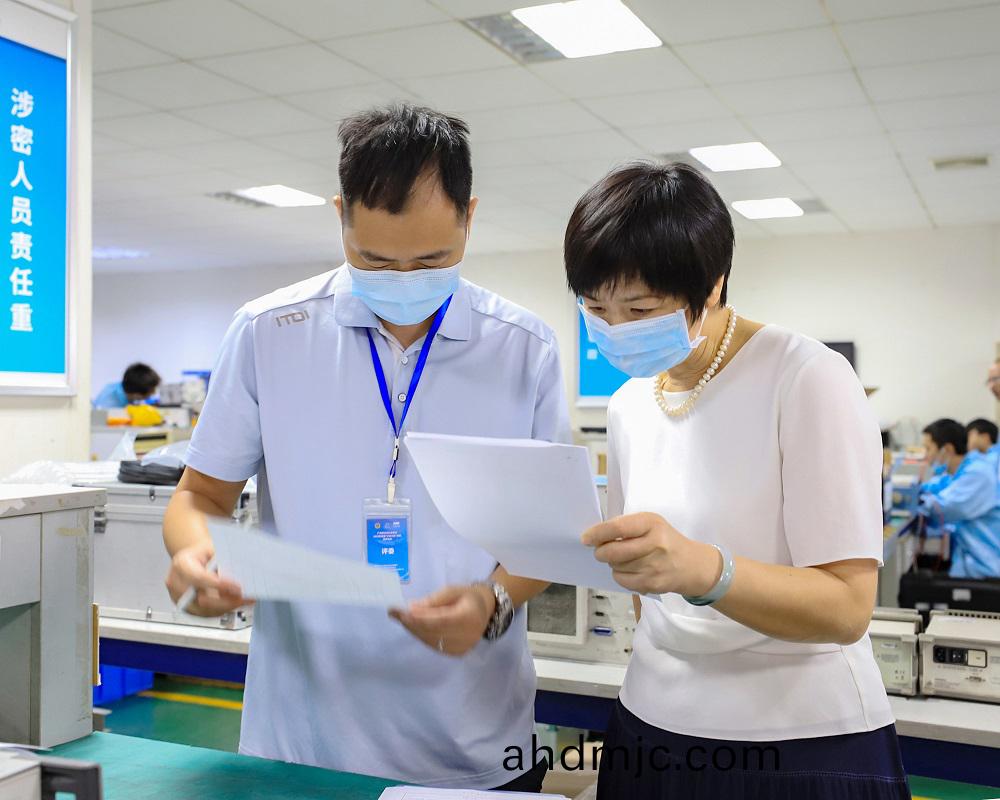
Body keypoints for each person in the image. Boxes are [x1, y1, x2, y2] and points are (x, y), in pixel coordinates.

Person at [161, 104, 569, 791]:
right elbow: (200, 496)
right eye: (375, 260)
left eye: (432, 260)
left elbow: (546, 536)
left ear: (469, 218)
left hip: (472, 742)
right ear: (340, 216)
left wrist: (492, 600)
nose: (404, 279)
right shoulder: (269, 332)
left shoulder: (524, 349)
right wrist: (194, 557)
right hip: (301, 740)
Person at [565, 162, 909, 799]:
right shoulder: (629, 403)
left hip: (797, 739)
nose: (615, 329)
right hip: (650, 723)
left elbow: (846, 607)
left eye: (640, 308)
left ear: (713, 285)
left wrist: (705, 571)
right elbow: (641, 584)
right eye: (594, 308)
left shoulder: (804, 377)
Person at [920, 419, 1000, 579]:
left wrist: (917, 502)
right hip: (971, 560)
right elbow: (944, 486)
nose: (926, 456)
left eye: (929, 449)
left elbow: (943, 508)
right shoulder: (968, 468)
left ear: (947, 449)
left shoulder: (978, 474)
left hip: (984, 568)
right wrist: (920, 490)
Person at [93, 362, 161, 408]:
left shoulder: (126, 388)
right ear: (137, 394)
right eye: (151, 392)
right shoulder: (110, 405)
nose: (154, 393)